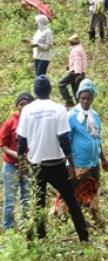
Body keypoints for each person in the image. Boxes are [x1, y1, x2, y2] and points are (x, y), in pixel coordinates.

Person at [16, 75, 89, 241]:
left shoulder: (27, 110)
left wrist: (22, 163)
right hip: (57, 163)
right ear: (50, 90)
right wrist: (71, 164)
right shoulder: (59, 109)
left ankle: (41, 237)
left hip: (36, 164)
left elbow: (21, 140)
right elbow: (64, 139)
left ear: (35, 91)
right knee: (71, 200)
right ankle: (84, 237)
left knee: (39, 201)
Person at [54, 79, 108, 224]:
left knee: (92, 189)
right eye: (83, 98)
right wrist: (69, 164)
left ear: (93, 98)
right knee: (71, 191)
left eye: (89, 98)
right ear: (78, 97)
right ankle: (62, 216)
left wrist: (102, 158)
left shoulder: (95, 116)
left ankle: (93, 215)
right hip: (77, 163)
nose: (85, 101)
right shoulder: (72, 116)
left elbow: (97, 138)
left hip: (93, 162)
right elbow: (65, 141)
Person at [0, 92, 33, 230]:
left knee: (27, 198)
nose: (24, 107)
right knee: (10, 199)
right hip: (11, 165)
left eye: (27, 104)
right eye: (21, 104)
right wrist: (16, 154)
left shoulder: (34, 122)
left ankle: (26, 226)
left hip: (29, 165)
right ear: (17, 106)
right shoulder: (10, 122)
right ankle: (8, 228)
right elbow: (3, 144)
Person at [58, 34, 87, 107]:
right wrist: (70, 66)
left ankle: (69, 101)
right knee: (76, 90)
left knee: (61, 84)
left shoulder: (76, 50)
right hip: (79, 72)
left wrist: (77, 74)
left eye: (70, 42)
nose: (69, 43)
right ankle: (79, 105)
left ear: (73, 42)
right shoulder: (79, 48)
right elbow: (77, 61)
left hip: (75, 73)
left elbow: (77, 61)